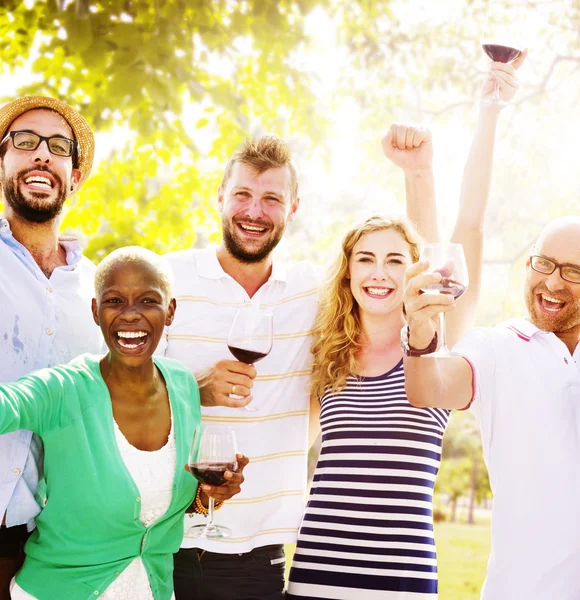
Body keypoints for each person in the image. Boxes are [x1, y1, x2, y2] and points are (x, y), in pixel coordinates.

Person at [285, 55, 526, 599]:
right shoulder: (326, 353)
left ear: (415, 271)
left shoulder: (435, 344)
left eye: (396, 259)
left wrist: (487, 109)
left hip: (399, 581)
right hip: (314, 575)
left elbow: (469, 225)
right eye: (366, 258)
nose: (379, 271)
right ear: (348, 274)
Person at [163, 129, 438, 599]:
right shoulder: (167, 278)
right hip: (164, 544)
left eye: (272, 198)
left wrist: (418, 174)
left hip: (261, 558)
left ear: (293, 207)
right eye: (243, 195)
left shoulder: (317, 293)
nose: (254, 211)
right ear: (220, 198)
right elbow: (118, 392)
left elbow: (413, 274)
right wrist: (192, 387)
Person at [1, 246, 248, 600]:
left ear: (171, 310)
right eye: (115, 301)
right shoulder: (63, 389)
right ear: (95, 311)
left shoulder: (181, 385)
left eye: (148, 301)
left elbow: (169, 494)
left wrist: (213, 494)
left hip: (154, 589)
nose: (130, 315)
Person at [403, 216, 580, 600]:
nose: (552, 282)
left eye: (573, 272)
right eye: (544, 263)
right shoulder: (498, 347)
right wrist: (419, 332)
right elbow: (429, 387)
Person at [0, 95, 102, 600]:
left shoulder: (99, 290)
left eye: (57, 146)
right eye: (24, 141)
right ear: (2, 162)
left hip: (58, 547)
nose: (41, 154)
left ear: (75, 176)